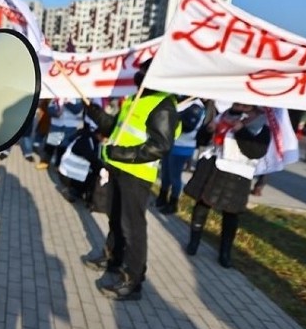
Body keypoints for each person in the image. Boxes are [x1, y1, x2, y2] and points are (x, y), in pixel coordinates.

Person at [82, 59, 179, 301]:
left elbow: (160, 146)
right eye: (141, 71)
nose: (139, 75)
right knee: (115, 217)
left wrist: (119, 154)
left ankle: (133, 279)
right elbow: (117, 128)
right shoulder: (140, 97)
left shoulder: (164, 104)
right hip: (118, 169)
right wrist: (95, 113)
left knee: (132, 228)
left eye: (145, 72)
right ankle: (112, 257)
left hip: (136, 175)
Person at [183, 103, 271, 268]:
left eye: (245, 104)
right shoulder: (222, 115)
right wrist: (208, 130)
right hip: (212, 166)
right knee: (202, 204)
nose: (240, 105)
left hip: (237, 174)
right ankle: (194, 242)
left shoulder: (261, 125)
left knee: (231, 213)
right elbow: (201, 140)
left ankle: (225, 252)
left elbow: (256, 151)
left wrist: (240, 131)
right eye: (238, 102)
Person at [155, 96, 206, 214]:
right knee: (165, 174)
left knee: (175, 177)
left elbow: (188, 127)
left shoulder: (195, 107)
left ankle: (173, 203)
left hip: (182, 147)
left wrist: (172, 117)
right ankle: (162, 198)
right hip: (171, 143)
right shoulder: (185, 103)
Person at [36, 98, 83, 170]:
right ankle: (45, 162)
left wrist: (65, 102)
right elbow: (50, 109)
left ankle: (58, 164)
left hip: (70, 126)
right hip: (57, 124)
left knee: (63, 147)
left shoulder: (77, 98)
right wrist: (56, 113)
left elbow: (77, 110)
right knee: (51, 144)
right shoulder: (56, 96)